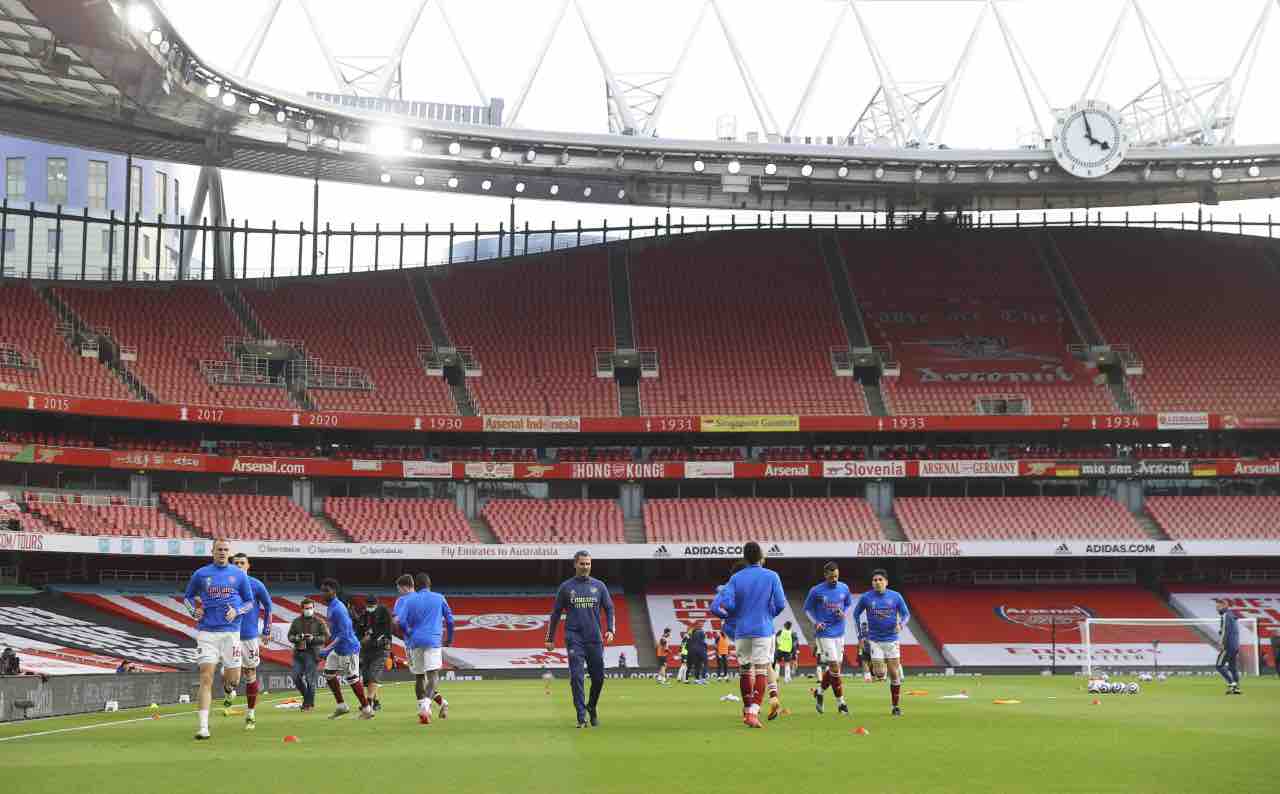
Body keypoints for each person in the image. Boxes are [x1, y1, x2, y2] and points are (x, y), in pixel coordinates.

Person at [182, 539, 254, 740]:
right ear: (212, 551)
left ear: (229, 553)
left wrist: (237, 611)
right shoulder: (201, 574)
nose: (222, 552)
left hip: (231, 633)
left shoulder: (239, 575)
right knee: (205, 677)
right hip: (207, 633)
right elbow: (187, 598)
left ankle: (228, 687)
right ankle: (203, 727)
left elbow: (249, 603)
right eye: (219, 549)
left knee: (234, 679)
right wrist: (193, 611)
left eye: (225, 550)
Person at [711, 542, 785, 728]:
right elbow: (781, 603)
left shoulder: (735, 578)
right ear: (761, 556)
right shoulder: (772, 576)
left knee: (745, 670)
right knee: (761, 669)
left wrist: (731, 614)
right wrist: (769, 615)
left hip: (741, 631)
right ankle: (754, 712)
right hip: (763, 628)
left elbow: (725, 604)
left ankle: (746, 710)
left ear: (744, 557)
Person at [544, 550, 615, 728]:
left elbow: (610, 608)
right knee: (576, 676)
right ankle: (581, 716)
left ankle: (591, 706)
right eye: (582, 564)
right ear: (575, 564)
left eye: (588, 564)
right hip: (574, 638)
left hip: (595, 638)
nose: (585, 567)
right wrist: (550, 637)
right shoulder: (566, 587)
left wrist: (610, 629)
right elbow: (555, 614)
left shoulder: (599, 586)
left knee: (598, 678)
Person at [394, 572, 454, 724]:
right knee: (433, 675)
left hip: (414, 642)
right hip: (433, 640)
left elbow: (399, 622)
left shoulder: (408, 601)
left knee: (420, 677)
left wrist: (409, 633)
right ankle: (427, 706)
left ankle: (424, 709)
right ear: (429, 584)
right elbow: (450, 620)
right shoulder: (439, 597)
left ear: (415, 585)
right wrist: (450, 638)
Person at [852, 568, 911, 716]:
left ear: (886, 582)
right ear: (872, 583)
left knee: (894, 675)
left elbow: (906, 614)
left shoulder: (896, 597)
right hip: (875, 640)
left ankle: (895, 706)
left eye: (880, 580)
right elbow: (855, 615)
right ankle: (879, 664)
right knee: (879, 673)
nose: (877, 582)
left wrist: (901, 624)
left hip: (891, 640)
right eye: (875, 580)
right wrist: (860, 636)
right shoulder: (866, 598)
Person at [318, 578, 375, 720]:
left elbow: (344, 634)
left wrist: (327, 649)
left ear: (334, 592)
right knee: (329, 674)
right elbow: (336, 632)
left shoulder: (339, 609)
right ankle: (341, 706)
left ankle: (367, 709)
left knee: (352, 679)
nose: (323, 593)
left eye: (326, 591)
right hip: (338, 649)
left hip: (348, 649)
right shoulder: (331, 606)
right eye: (322, 590)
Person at [228, 553, 272, 730]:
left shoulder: (256, 585)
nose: (239, 565)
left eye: (242, 563)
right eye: (236, 563)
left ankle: (251, 714)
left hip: (249, 636)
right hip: (228, 634)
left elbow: (268, 606)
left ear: (248, 565)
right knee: (229, 673)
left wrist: (267, 630)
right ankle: (229, 691)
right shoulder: (225, 585)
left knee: (250, 673)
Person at [804, 561, 854, 716]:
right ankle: (841, 703)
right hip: (824, 633)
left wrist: (843, 612)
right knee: (834, 666)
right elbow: (807, 609)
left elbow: (848, 604)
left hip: (840, 632)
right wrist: (816, 622)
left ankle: (819, 692)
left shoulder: (844, 588)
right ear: (825, 575)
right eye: (832, 576)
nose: (834, 579)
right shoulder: (816, 591)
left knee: (835, 668)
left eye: (837, 576)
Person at [287, 597, 329, 712]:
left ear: (314, 608)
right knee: (295, 677)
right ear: (302, 609)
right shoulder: (296, 621)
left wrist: (313, 638)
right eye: (306, 608)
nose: (308, 610)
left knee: (310, 680)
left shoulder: (319, 621)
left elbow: (326, 637)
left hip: (313, 653)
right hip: (299, 652)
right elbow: (289, 636)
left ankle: (307, 704)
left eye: (310, 608)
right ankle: (308, 699)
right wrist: (297, 638)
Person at [358, 594, 393, 711]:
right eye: (368, 605)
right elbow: (359, 631)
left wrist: (374, 637)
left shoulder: (383, 612)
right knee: (367, 678)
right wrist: (362, 639)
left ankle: (368, 702)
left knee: (373, 675)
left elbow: (387, 630)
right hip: (366, 650)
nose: (370, 607)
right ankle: (376, 701)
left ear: (376, 604)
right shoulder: (364, 615)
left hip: (381, 649)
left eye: (372, 605)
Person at [1216, 600, 1242, 695]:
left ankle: (1232, 683)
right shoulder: (1232, 615)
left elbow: (1224, 630)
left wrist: (1221, 643)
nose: (1217, 609)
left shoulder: (1226, 615)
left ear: (1224, 606)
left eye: (1218, 607)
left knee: (1219, 665)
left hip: (1228, 645)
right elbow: (1232, 630)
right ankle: (1237, 688)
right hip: (1235, 645)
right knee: (1232, 667)